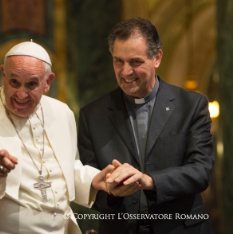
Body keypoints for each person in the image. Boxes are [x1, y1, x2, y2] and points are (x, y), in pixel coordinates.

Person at [0, 41, 113, 234]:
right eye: (14, 82)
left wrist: (93, 180)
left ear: (48, 82)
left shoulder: (61, 113)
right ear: (3, 74)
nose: (21, 94)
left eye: (31, 84)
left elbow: (65, 167)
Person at [78, 18, 214, 234]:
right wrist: (109, 191)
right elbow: (87, 183)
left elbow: (200, 171)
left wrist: (149, 181)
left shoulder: (191, 106)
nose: (125, 72)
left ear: (156, 57)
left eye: (135, 62)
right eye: (118, 61)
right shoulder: (92, 115)